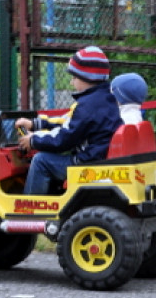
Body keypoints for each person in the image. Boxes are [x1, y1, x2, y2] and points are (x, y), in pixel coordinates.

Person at [15, 46, 122, 195]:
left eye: (74, 77)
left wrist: (33, 141)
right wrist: (35, 124)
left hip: (87, 163)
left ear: (87, 77)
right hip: (99, 157)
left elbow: (64, 140)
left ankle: (29, 209)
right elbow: (68, 123)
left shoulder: (86, 106)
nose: (72, 82)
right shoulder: (106, 98)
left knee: (41, 160)